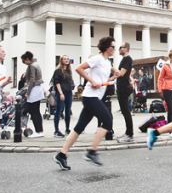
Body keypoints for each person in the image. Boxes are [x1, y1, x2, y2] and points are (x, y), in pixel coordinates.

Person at [54, 37, 118, 170]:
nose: (115, 49)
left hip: (96, 97)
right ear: (108, 47)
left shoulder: (107, 62)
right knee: (107, 121)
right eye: (113, 47)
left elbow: (103, 79)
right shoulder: (97, 58)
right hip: (90, 96)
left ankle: (61, 154)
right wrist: (91, 81)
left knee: (79, 127)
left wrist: (113, 77)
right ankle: (92, 152)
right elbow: (79, 68)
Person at [21, 51, 45, 137]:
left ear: (27, 59)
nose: (24, 63)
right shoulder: (36, 64)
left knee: (34, 112)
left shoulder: (31, 66)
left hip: (34, 90)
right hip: (37, 89)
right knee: (36, 111)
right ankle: (39, 131)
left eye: (24, 61)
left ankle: (39, 131)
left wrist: (28, 92)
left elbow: (32, 80)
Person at [116, 43, 135, 143]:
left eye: (121, 47)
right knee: (124, 111)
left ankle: (130, 134)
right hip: (122, 87)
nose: (119, 49)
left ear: (126, 49)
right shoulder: (124, 59)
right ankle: (128, 133)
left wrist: (111, 68)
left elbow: (122, 73)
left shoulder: (127, 59)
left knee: (126, 111)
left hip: (123, 88)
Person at [51, 55, 73, 138]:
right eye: (65, 59)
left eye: (68, 59)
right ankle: (56, 131)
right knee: (59, 111)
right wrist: (61, 93)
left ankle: (67, 129)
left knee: (68, 111)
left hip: (69, 93)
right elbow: (57, 83)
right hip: (61, 93)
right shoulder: (58, 71)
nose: (66, 60)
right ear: (61, 60)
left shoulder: (68, 70)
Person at [158, 49, 172, 124]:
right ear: (170, 57)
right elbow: (160, 79)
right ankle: (170, 130)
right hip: (167, 90)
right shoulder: (165, 66)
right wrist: (160, 90)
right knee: (171, 109)